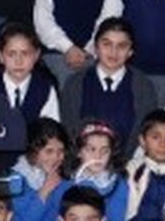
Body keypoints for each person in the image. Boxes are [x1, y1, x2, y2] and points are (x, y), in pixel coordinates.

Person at [61, 17, 159, 153]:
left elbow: (145, 133)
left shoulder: (143, 86)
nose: (114, 52)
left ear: (131, 51)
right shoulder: (75, 84)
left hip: (128, 162)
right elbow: (68, 130)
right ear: (96, 48)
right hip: (83, 161)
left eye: (122, 46)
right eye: (106, 44)